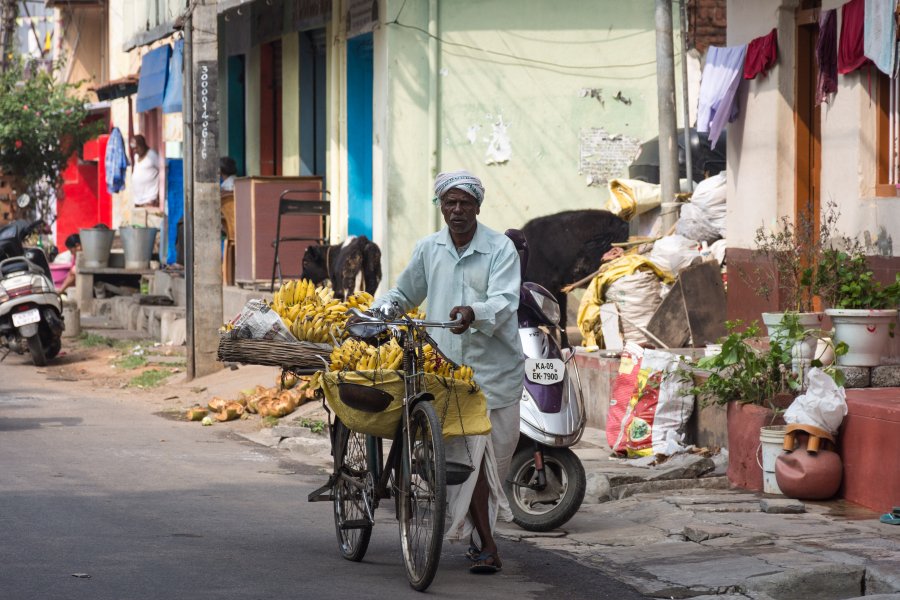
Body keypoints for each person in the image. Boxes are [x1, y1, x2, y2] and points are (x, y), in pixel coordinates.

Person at [370, 170, 524, 574]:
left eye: (465, 203)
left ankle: (478, 536)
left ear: (478, 206)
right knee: (467, 463)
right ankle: (487, 545)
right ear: (440, 205)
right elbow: (405, 294)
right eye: (449, 203)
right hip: (447, 375)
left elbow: (506, 300)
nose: (457, 211)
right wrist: (380, 313)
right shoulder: (428, 249)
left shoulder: (500, 249)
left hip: (495, 373)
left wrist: (476, 313)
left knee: (497, 463)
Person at [130, 135, 160, 208]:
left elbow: (163, 169)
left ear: (142, 145)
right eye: (133, 149)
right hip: (138, 202)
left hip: (149, 201)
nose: (135, 151)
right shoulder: (136, 157)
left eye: (136, 148)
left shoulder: (152, 155)